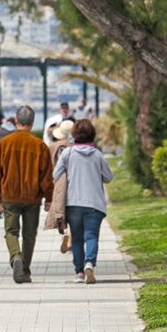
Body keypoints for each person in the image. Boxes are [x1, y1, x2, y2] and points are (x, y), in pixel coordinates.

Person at [0, 105, 54, 284]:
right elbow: (46, 177)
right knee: (30, 234)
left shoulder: (4, 144)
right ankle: (25, 270)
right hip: (32, 197)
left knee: (11, 231)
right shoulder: (40, 146)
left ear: (16, 121)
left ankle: (15, 255)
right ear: (32, 123)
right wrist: (49, 197)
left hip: (10, 196)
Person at [53, 119, 114, 284]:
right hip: (94, 203)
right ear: (92, 134)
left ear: (74, 135)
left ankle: (79, 273)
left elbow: (56, 175)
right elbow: (109, 177)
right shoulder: (97, 155)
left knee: (77, 239)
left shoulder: (68, 153)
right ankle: (89, 263)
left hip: (73, 203)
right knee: (91, 236)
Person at [44, 120, 74, 254]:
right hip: (74, 182)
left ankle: (65, 232)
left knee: (60, 210)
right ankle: (70, 237)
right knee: (73, 211)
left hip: (57, 183)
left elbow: (48, 169)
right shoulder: (75, 147)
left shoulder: (53, 147)